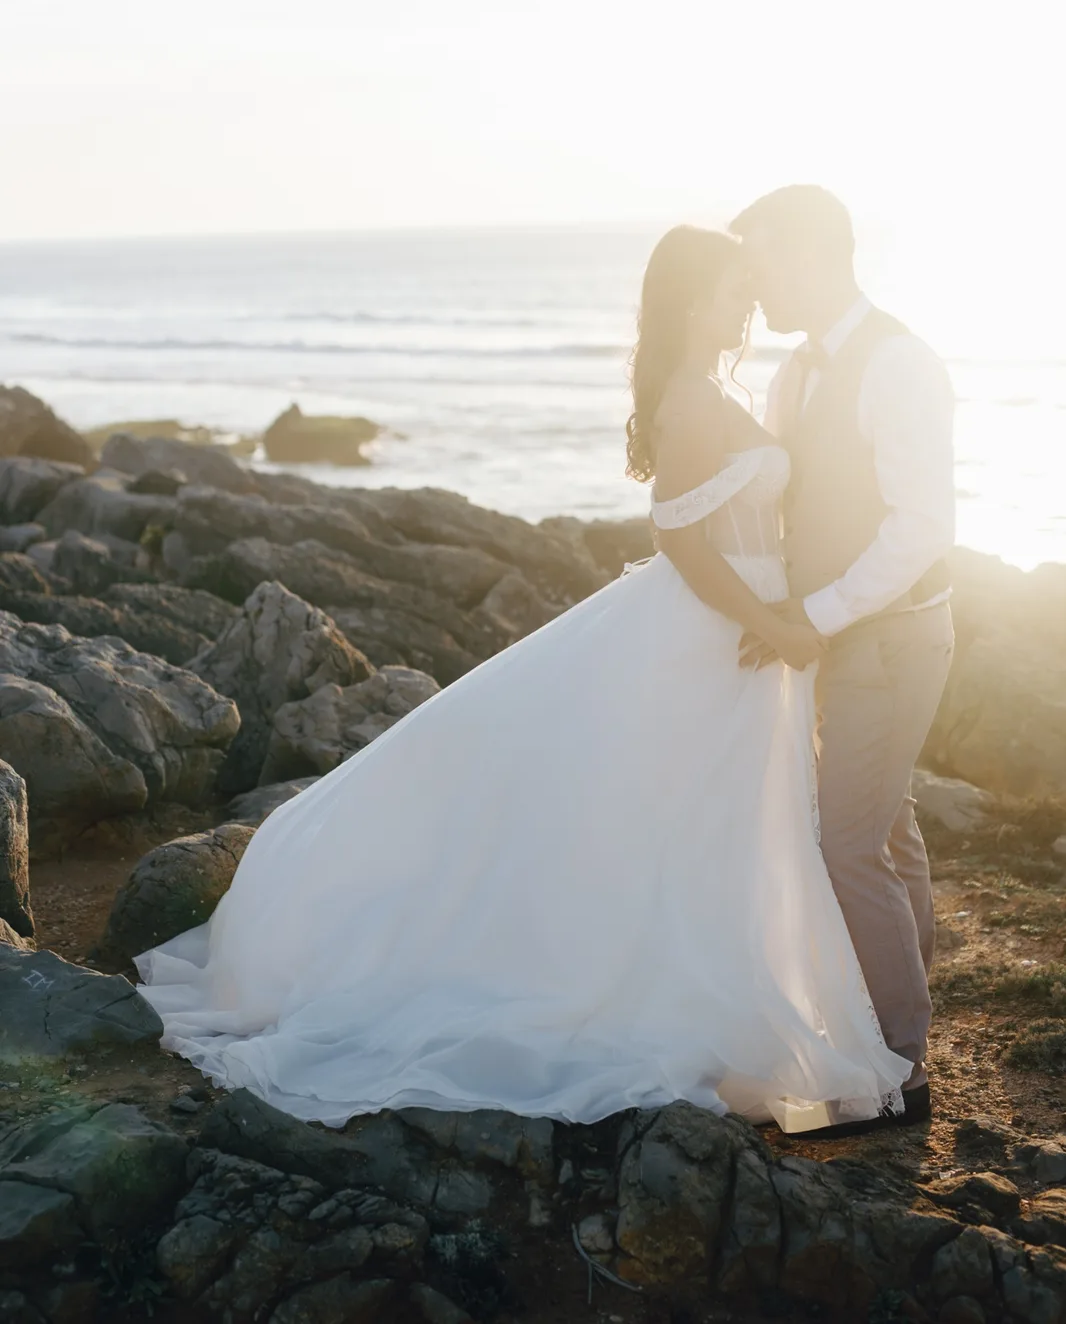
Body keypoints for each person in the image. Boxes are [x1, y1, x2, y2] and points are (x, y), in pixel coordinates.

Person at [135, 226, 910, 1133]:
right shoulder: (695, 400)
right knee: (676, 819)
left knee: (703, 823)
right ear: (694, 299)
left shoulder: (721, 387)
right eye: (734, 290)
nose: (746, 306)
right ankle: (655, 998)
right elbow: (682, 541)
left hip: (734, 638)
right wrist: (774, 623)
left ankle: (709, 999)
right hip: (713, 635)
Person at [730, 186, 956, 1135]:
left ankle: (896, 1072)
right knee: (885, 827)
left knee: (846, 843)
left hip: (893, 638)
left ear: (818, 256)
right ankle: (903, 1019)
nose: (754, 281)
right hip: (842, 637)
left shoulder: (897, 362)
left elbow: (920, 529)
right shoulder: (799, 372)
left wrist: (811, 617)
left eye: (765, 259)